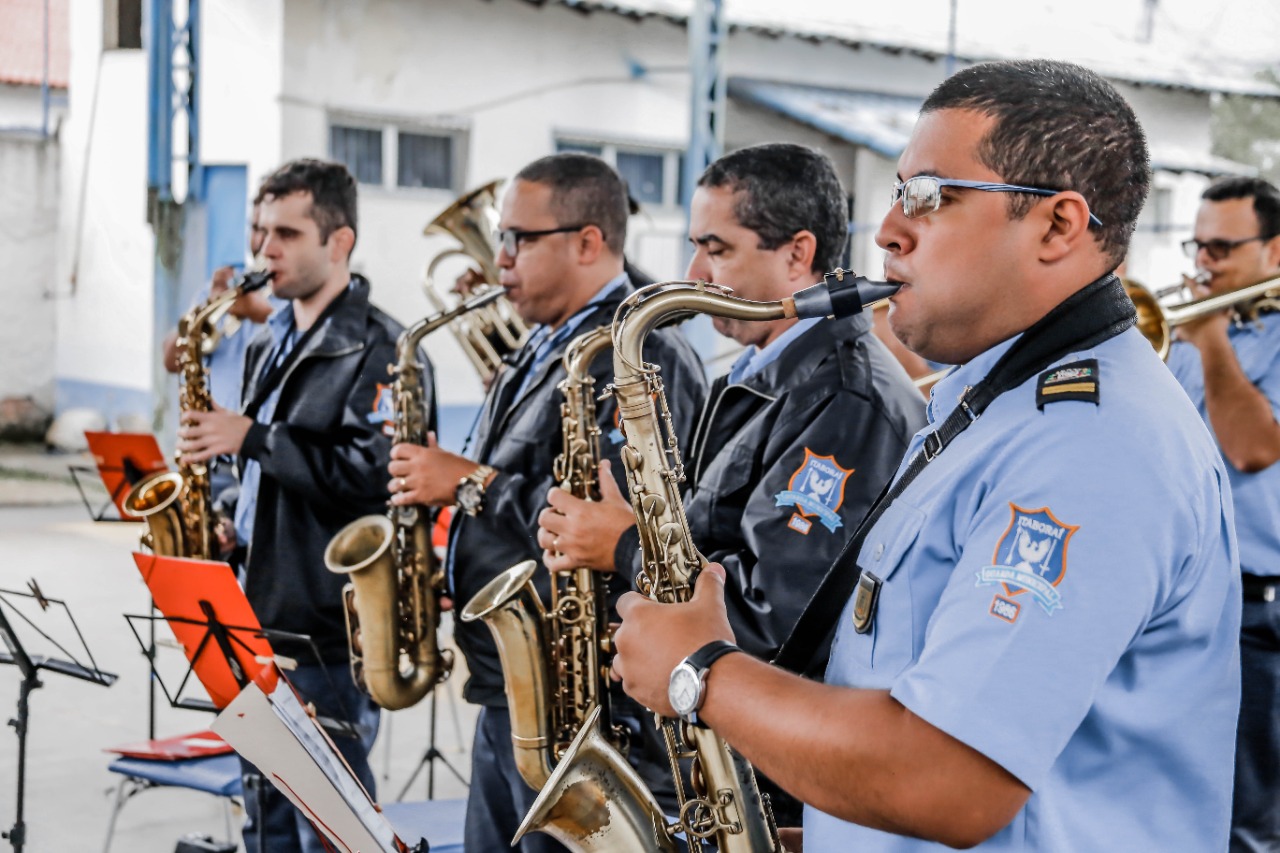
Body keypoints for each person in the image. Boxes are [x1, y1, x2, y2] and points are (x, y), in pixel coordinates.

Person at [609, 59, 1241, 851]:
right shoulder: (993, 404)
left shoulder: (1089, 446)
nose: (887, 230)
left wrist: (701, 671)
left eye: (928, 196)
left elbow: (946, 777)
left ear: (1058, 225)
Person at [536, 142, 926, 824]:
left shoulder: (846, 401)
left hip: (748, 792)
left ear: (797, 255)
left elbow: (769, 624)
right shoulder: (758, 374)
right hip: (696, 757)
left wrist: (624, 547)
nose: (692, 272)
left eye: (716, 249)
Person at [387, 152, 707, 853]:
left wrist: (469, 480)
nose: (499, 260)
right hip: (511, 685)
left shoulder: (641, 355)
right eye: (500, 239)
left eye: (517, 240)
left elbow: (622, 526)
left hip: (578, 700)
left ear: (588, 242)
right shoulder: (541, 339)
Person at [177, 158, 427, 853]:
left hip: (326, 628)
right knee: (266, 817)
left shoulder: (385, 348)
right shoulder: (266, 337)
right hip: (255, 611)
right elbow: (260, 473)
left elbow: (377, 476)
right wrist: (230, 511)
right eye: (262, 231)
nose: (265, 250)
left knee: (333, 826)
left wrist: (252, 435)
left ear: (339, 242)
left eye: (286, 233)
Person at [1167, 176, 1280, 853]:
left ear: (1274, 251)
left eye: (1221, 247)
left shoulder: (1213, 334)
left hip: (1257, 614)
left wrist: (1209, 341)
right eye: (1197, 244)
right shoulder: (1190, 328)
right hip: (1188, 600)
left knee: (1244, 822)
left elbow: (1251, 449)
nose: (1203, 261)